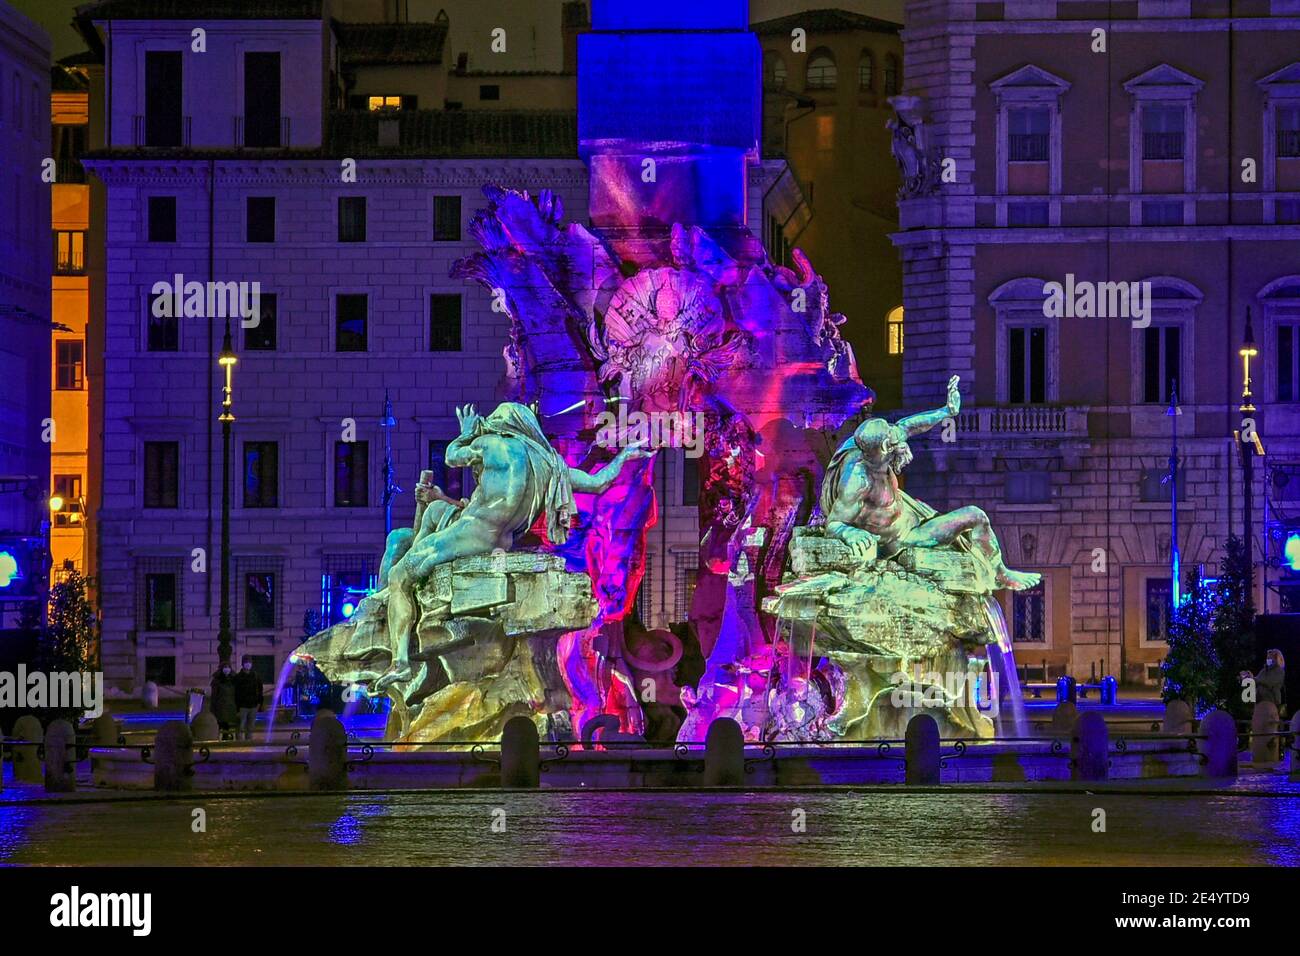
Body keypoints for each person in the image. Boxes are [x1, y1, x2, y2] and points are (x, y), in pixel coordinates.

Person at [821, 374, 1040, 591]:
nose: (902, 443)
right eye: (895, 442)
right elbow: (833, 523)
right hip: (905, 537)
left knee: (975, 518)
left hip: (912, 513)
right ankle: (999, 574)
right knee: (974, 515)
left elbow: (911, 425)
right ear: (885, 448)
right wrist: (850, 533)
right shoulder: (858, 481)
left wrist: (947, 411)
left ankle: (1001, 572)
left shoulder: (883, 444)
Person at [1241, 649, 1287, 716]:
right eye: (1267, 657)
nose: (1268, 659)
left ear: (1276, 658)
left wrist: (1254, 679)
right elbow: (1257, 680)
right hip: (1260, 702)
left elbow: (1269, 682)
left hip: (1271, 703)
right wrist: (1249, 677)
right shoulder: (1263, 670)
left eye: (1270, 657)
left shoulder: (1279, 671)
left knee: (1269, 724)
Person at [233, 656, 265, 741]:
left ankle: (248, 742)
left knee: (250, 727)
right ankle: (239, 743)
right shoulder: (238, 677)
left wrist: (260, 703)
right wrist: (237, 707)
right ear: (242, 664)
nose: (248, 664)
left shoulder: (255, 676)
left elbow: (260, 690)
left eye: (249, 662)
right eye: (246, 662)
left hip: (253, 705)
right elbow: (235, 692)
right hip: (242, 706)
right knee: (240, 726)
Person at [210, 662, 238, 738]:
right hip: (221, 705)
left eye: (228, 667)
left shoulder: (234, 679)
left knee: (229, 722)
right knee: (222, 722)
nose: (227, 669)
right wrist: (213, 706)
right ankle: (225, 736)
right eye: (225, 667)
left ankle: (228, 735)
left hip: (231, 705)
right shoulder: (217, 680)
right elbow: (214, 695)